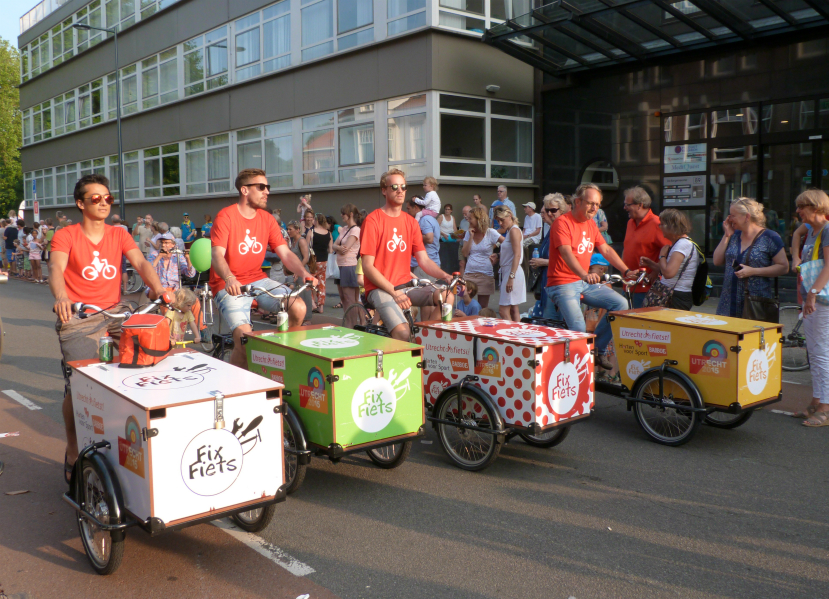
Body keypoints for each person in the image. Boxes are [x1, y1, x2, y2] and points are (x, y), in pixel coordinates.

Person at [50, 174, 167, 482]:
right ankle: (73, 448)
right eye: (95, 198)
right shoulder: (66, 235)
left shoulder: (119, 233)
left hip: (116, 312)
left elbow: (141, 263)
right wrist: (62, 296)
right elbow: (56, 267)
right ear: (81, 203)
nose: (103, 203)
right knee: (79, 383)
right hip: (80, 315)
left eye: (108, 198)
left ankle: (143, 436)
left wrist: (159, 289)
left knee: (150, 357)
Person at [210, 169, 316, 368]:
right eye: (261, 187)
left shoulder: (267, 219)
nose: (267, 191)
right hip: (228, 284)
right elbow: (217, 255)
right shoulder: (226, 216)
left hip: (258, 279)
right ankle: (237, 380)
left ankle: (277, 357)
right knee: (244, 340)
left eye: (267, 187)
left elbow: (285, 254)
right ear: (244, 190)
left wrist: (304, 273)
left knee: (298, 307)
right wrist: (230, 277)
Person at [546, 183, 640, 370]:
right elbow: (566, 253)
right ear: (578, 202)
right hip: (562, 283)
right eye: (590, 203)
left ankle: (597, 349)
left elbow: (606, 249)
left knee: (621, 305)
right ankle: (578, 371)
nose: (594, 208)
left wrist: (626, 271)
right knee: (579, 328)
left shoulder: (590, 224)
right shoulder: (562, 223)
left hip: (582, 282)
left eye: (597, 204)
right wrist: (585, 274)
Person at [360, 168, 455, 340]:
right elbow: (367, 266)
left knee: (446, 296)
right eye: (394, 187)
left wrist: (445, 276)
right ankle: (402, 346)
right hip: (380, 288)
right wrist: (394, 292)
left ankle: (425, 341)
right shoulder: (373, 220)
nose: (400, 191)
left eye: (403, 187)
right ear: (384, 190)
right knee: (403, 333)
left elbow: (423, 260)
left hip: (405, 285)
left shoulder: (411, 222)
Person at [790, 190, 829, 426]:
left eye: (801, 206)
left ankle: (826, 407)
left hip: (822, 300)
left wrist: (812, 295)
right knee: (814, 352)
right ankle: (816, 400)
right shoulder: (811, 230)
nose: (798, 211)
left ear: (815, 207)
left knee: (822, 352)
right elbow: (796, 234)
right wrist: (795, 257)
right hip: (811, 300)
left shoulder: (827, 230)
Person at [713, 197, 788, 318]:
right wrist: (726, 236)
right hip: (728, 303)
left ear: (747, 217)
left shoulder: (770, 237)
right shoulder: (733, 235)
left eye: (733, 215)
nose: (729, 219)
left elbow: (783, 267)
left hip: (755, 304)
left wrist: (753, 271)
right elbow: (717, 261)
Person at [639, 210, 698, 310]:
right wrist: (651, 264)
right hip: (673, 293)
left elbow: (668, 273)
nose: (659, 227)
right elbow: (665, 270)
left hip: (676, 296)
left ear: (671, 226)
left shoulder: (682, 245)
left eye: (662, 224)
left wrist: (662, 256)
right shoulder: (678, 243)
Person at [621, 186, 670, 308]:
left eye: (627, 205)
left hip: (645, 288)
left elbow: (670, 250)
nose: (624, 208)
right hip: (627, 284)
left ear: (639, 205)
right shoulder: (630, 222)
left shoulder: (657, 223)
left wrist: (656, 270)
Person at [529, 193, 567, 319]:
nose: (548, 213)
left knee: (553, 321)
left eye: (553, 210)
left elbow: (566, 260)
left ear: (561, 211)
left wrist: (543, 262)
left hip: (559, 284)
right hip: (548, 283)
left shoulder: (562, 230)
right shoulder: (551, 229)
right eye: (547, 210)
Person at [462, 206, 502, 310]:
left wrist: (499, 255)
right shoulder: (468, 233)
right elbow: (465, 253)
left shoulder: (490, 232)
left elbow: (508, 244)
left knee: (483, 308)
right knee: (465, 305)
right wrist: (471, 236)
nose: (468, 220)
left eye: (470, 218)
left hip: (485, 274)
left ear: (479, 219)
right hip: (469, 273)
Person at [491, 206, 525, 321]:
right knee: (513, 309)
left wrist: (511, 277)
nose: (500, 223)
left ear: (509, 216)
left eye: (502, 220)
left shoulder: (514, 231)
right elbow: (512, 252)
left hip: (512, 271)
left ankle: (511, 331)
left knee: (503, 310)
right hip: (510, 270)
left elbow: (517, 255)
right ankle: (517, 330)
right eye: (498, 221)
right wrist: (498, 255)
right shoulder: (511, 230)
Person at [334, 204, 362, 324]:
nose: (341, 215)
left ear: (350, 214)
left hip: (349, 265)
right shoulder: (344, 229)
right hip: (340, 265)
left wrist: (337, 247)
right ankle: (350, 322)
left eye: (343, 213)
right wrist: (338, 247)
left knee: (350, 298)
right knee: (344, 297)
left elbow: (345, 248)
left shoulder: (356, 230)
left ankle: (352, 323)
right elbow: (334, 245)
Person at [405, 197, 441, 281]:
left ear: (416, 207)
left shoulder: (425, 219)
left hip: (424, 266)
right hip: (427, 264)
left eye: (408, 209)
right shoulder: (430, 218)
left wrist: (410, 236)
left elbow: (429, 238)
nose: (407, 212)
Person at [285, 221, 313, 322]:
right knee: (297, 296)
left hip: (302, 272)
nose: (288, 231)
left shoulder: (301, 241)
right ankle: (298, 318)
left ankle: (307, 319)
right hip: (295, 272)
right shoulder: (293, 241)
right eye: (288, 229)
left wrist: (298, 271)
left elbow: (306, 258)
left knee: (304, 296)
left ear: (297, 230)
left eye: (290, 229)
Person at [305, 213, 332, 313]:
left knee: (309, 281)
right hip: (324, 261)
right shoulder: (328, 233)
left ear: (316, 220)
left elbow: (306, 247)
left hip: (313, 261)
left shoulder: (311, 232)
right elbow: (330, 249)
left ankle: (312, 303)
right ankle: (321, 306)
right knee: (322, 283)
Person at [455, 205, 471, 274]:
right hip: (462, 244)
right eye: (463, 214)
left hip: (469, 245)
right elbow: (460, 232)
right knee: (461, 263)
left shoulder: (473, 221)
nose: (464, 215)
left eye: (466, 213)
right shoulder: (462, 221)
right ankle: (461, 279)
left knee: (469, 264)